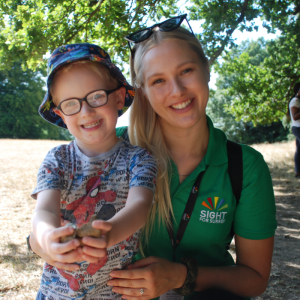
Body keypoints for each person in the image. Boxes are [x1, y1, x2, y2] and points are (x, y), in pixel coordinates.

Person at [29, 15, 277, 300]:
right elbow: (45, 223)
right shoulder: (109, 145)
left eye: (186, 71)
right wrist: (47, 242)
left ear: (206, 69)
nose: (177, 90)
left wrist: (179, 275)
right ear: (142, 91)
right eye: (158, 80)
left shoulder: (244, 166)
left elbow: (255, 280)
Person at [30, 43, 157, 300]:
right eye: (70, 104)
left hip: (116, 294)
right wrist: (47, 238)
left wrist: (108, 233)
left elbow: (140, 207)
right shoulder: (58, 159)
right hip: (56, 294)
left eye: (97, 96)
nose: (86, 111)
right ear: (60, 114)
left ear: (119, 97)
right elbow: (45, 210)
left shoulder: (139, 159)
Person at [288, 82, 300, 178]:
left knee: (299, 150)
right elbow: (295, 116)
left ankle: (298, 171)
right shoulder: (295, 100)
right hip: (298, 127)